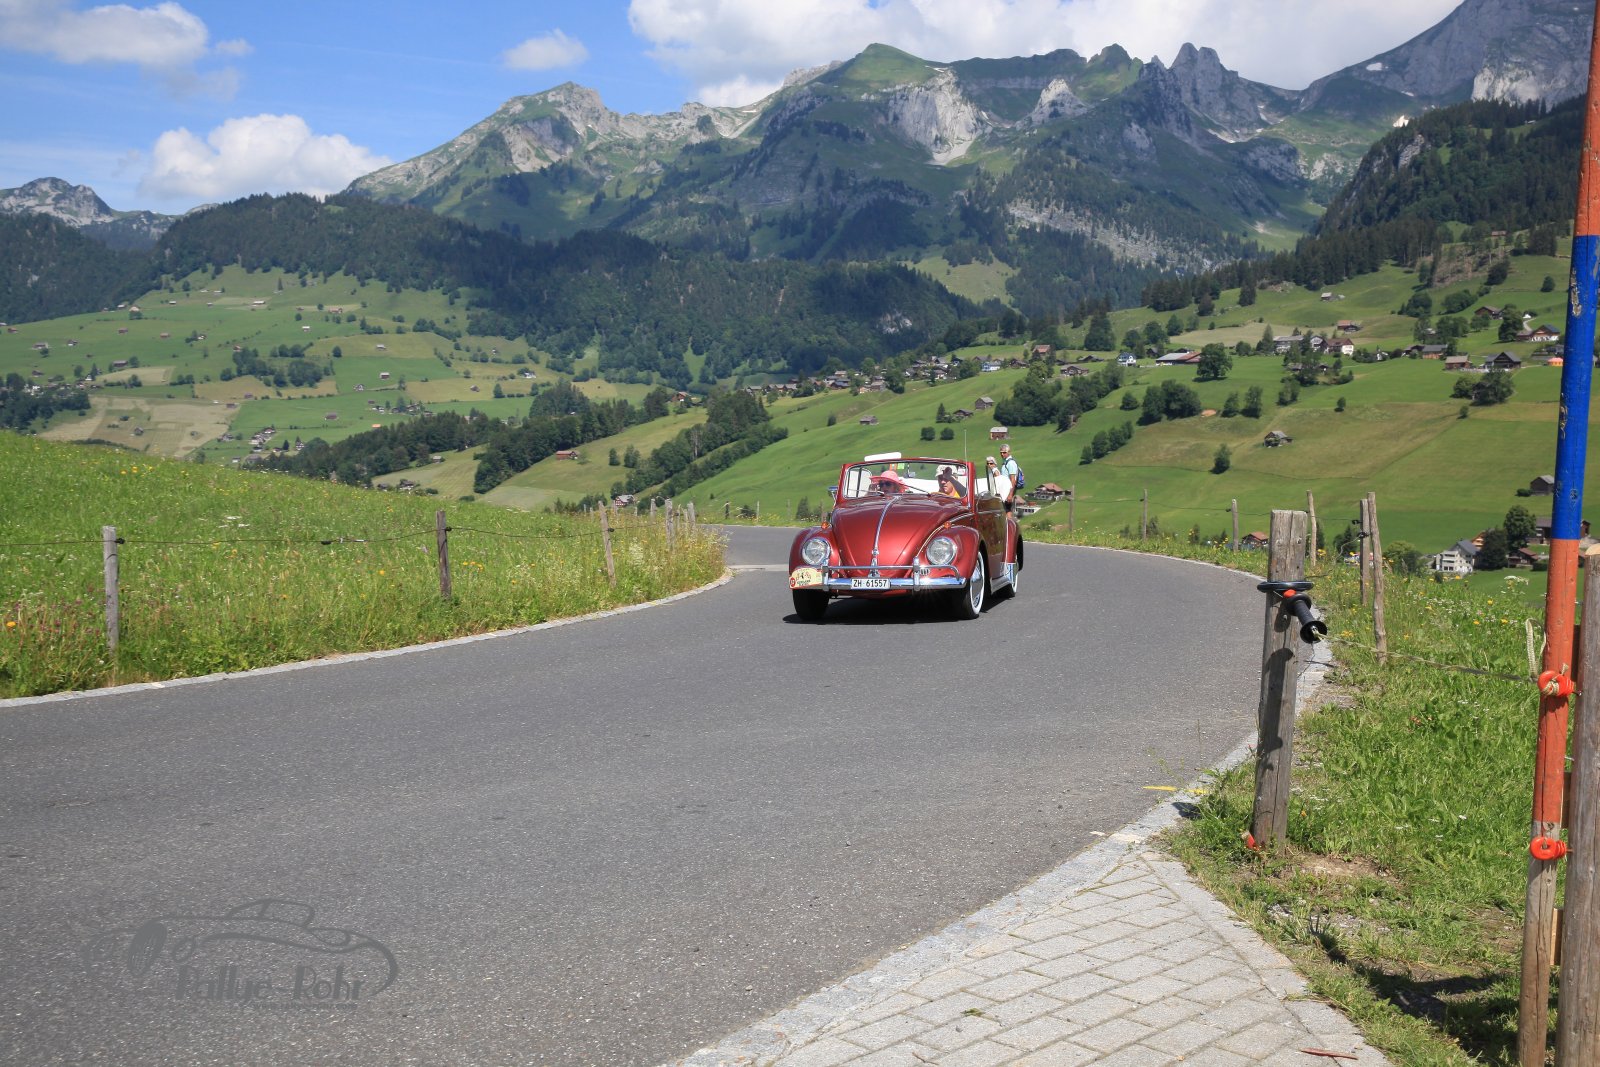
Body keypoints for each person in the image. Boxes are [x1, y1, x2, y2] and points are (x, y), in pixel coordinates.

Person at [987, 444, 1020, 510]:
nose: (1002, 454)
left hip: (1008, 491)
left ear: (1009, 452)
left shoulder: (1011, 463)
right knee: (1005, 510)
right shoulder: (1005, 462)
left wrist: (1010, 494)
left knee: (1008, 511)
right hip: (1004, 490)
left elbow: (1013, 479)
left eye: (1004, 452)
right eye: (1001, 453)